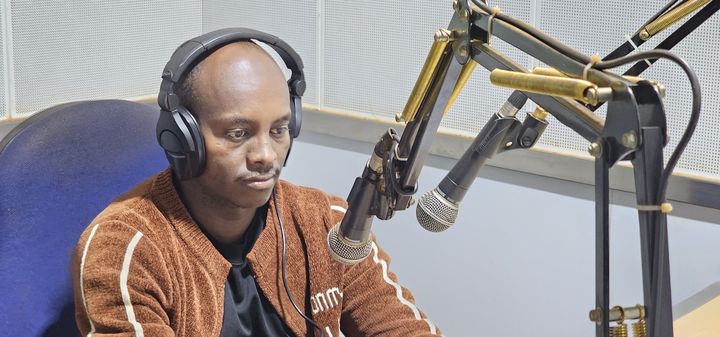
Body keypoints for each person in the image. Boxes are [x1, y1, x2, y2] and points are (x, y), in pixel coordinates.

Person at [72, 29, 441, 337]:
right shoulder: (125, 249)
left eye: (279, 130)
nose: (266, 154)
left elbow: (399, 326)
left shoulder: (328, 223)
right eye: (238, 133)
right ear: (183, 139)